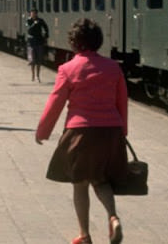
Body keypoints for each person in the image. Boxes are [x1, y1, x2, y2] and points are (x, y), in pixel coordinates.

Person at [35, 18, 128, 244]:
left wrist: (43, 131)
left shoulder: (67, 69)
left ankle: (85, 236)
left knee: (80, 184)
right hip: (111, 131)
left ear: (74, 43)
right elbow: (121, 101)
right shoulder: (113, 67)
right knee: (102, 180)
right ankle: (113, 217)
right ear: (98, 41)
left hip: (81, 133)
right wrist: (122, 132)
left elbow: (55, 102)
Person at [26, 8, 49, 82]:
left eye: (34, 13)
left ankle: (37, 76)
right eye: (32, 13)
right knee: (32, 60)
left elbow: (46, 27)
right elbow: (29, 30)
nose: (33, 14)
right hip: (31, 43)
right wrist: (34, 24)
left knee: (39, 60)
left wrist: (46, 35)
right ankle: (32, 75)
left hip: (39, 41)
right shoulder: (28, 21)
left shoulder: (40, 20)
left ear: (36, 14)